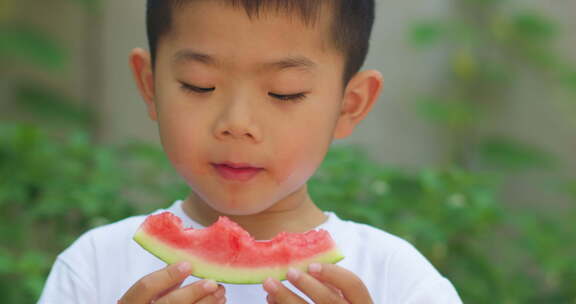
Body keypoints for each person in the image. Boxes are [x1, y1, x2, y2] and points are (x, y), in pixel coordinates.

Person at [38, 0, 463, 303]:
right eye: (198, 84)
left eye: (285, 93)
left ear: (349, 105)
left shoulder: (398, 279)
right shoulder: (93, 267)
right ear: (149, 86)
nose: (237, 122)